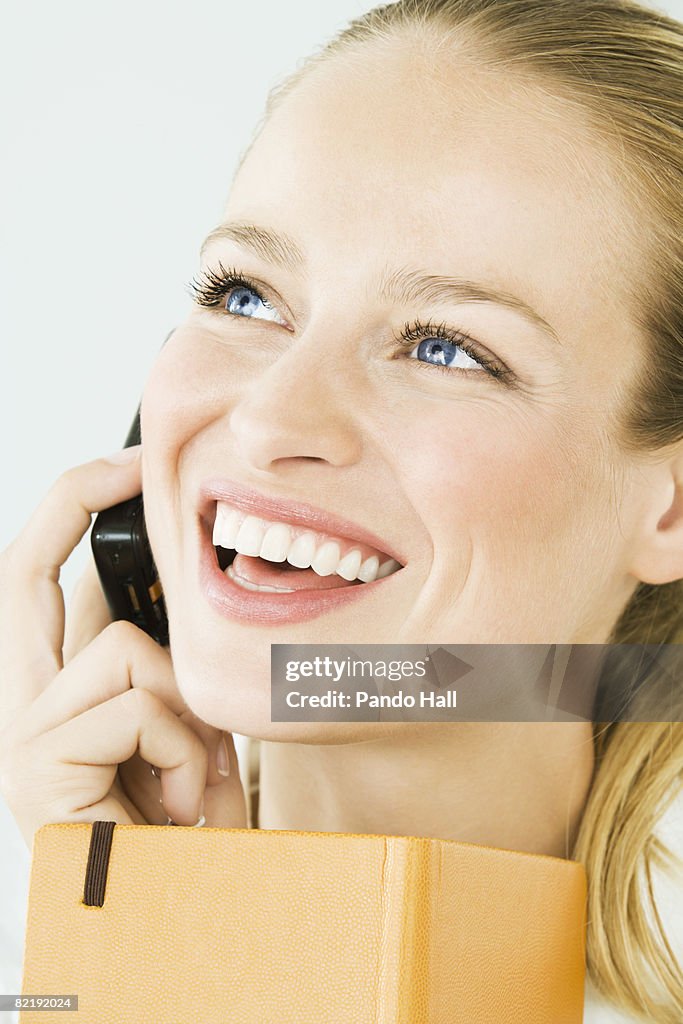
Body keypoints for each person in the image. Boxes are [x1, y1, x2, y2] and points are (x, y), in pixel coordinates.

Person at [1, 0, 681, 1020]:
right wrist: (138, 936)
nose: (270, 412)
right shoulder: (71, 960)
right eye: (243, 294)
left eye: (446, 347)